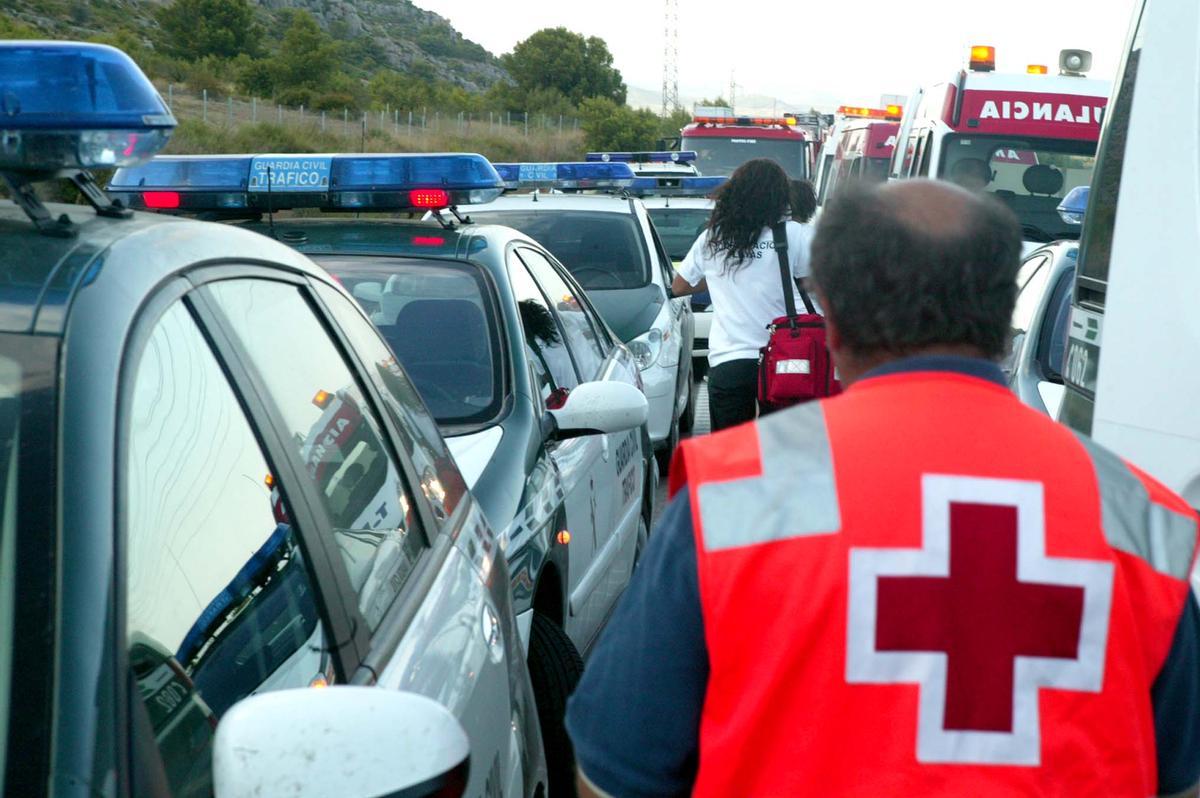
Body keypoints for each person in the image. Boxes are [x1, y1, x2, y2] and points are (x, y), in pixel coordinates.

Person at [566, 180, 1200, 797]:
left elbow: (616, 770)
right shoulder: (1141, 519)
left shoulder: (736, 495)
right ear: (1005, 318)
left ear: (833, 318)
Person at [671, 159, 814, 431]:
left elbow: (680, 287)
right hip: (786, 357)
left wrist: (718, 276)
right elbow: (812, 286)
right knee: (785, 448)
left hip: (729, 358)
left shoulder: (712, 238)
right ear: (779, 195)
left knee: (731, 453)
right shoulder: (794, 235)